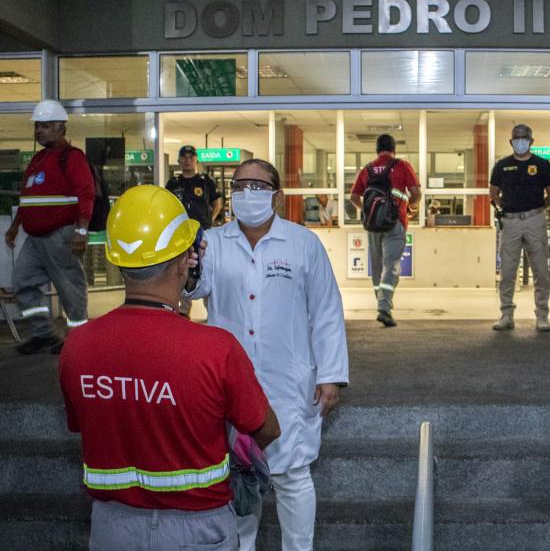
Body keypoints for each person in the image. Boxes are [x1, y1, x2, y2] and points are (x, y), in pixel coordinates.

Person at [58, 184, 280, 551]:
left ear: (117, 259)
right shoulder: (216, 348)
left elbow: (88, 423)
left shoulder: (77, 346)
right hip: (199, 529)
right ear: (183, 261)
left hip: (112, 529)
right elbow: (266, 427)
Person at [185, 158, 349, 551]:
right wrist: (189, 265)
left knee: (292, 476)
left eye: (257, 186)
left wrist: (330, 374)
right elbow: (193, 289)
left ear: (276, 196)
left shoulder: (302, 243)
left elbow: (326, 309)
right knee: (238, 476)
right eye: (240, 186)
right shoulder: (213, 242)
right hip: (229, 381)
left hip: (288, 380)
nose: (247, 193)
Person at [4, 99, 94, 355]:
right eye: (37, 126)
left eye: (44, 126)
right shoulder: (38, 159)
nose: (38, 131)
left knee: (69, 287)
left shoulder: (72, 157)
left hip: (60, 234)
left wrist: (81, 230)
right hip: (34, 237)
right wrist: (15, 226)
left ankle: (77, 338)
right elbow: (28, 198)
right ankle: (43, 334)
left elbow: (85, 193)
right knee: (22, 282)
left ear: (60, 127)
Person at [489, 124, 550, 332]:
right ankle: (506, 315)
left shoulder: (542, 165)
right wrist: (506, 207)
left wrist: (538, 209)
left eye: (524, 138)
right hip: (510, 222)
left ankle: (542, 316)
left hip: (535, 220)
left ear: (531, 141)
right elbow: (493, 193)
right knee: (507, 271)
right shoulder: (502, 165)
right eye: (516, 138)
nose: (520, 141)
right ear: (511, 142)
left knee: (541, 270)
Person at [350, 134, 421, 328]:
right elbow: (416, 193)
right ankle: (384, 306)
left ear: (376, 150)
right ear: (394, 149)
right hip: (395, 222)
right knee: (391, 265)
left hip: (372, 224)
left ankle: (380, 303)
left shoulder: (367, 169)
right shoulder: (402, 165)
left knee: (377, 267)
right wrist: (409, 206)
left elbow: (354, 197)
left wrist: (367, 211)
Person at [166, 145, 222, 317]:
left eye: (191, 157)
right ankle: (183, 313)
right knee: (182, 270)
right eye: (184, 157)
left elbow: (217, 204)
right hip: (181, 235)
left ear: (196, 160)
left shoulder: (206, 181)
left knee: (207, 269)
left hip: (203, 233)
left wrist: (210, 220)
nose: (188, 160)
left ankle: (212, 313)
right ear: (179, 160)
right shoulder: (173, 183)